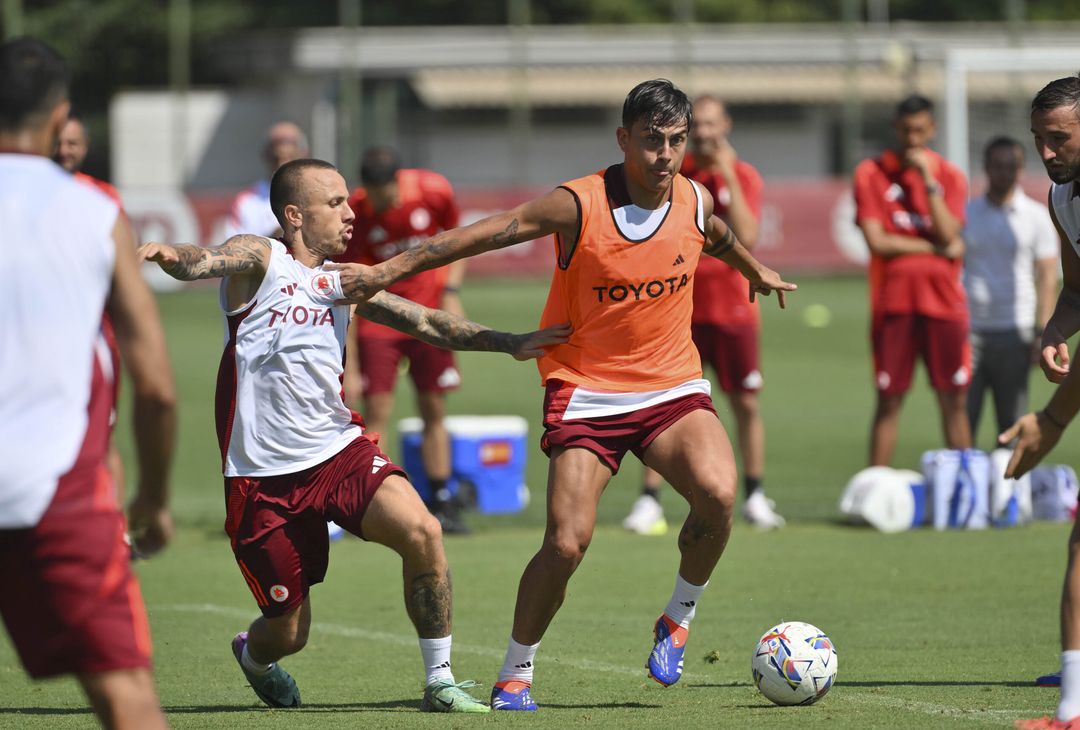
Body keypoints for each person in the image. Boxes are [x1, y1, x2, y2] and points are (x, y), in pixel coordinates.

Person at [327, 79, 796, 711]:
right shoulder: (579, 204)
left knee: (717, 494)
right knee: (567, 543)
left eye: (676, 141)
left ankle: (677, 619)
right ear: (623, 138)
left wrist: (751, 267)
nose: (666, 154)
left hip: (671, 384)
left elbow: (713, 233)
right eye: (652, 140)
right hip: (587, 389)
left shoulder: (692, 197)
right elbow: (482, 235)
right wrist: (387, 271)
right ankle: (515, 672)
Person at [138, 157, 569, 714]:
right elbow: (213, 258)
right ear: (294, 215)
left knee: (423, 532)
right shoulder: (263, 259)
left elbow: (427, 323)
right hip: (262, 478)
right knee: (289, 633)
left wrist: (510, 340)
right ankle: (254, 657)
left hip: (339, 451)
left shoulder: (342, 281)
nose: (350, 212)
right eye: (336, 202)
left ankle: (440, 681)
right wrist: (178, 259)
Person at [0, 37, 177, 730]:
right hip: (55, 493)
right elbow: (156, 386)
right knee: (125, 698)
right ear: (60, 116)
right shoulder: (95, 214)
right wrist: (153, 501)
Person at [623, 93, 784, 535]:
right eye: (702, 126)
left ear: (726, 125)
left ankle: (754, 495)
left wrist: (728, 169)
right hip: (679, 306)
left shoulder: (742, 174)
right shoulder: (674, 172)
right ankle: (649, 501)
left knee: (745, 401)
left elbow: (748, 237)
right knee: (660, 401)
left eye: (714, 125)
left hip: (734, 308)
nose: (708, 134)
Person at [1002, 74, 1080, 730]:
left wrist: (1053, 420)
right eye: (1040, 140)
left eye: (1059, 138)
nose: (1047, 151)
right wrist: (1057, 326)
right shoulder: (1063, 199)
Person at [337, 146, 470, 533]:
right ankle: (371, 504)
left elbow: (460, 240)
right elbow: (355, 279)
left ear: (398, 181)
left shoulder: (433, 190)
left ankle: (442, 500)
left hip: (428, 317)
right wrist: (352, 358)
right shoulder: (356, 210)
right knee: (376, 414)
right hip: (381, 323)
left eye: (387, 195)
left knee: (434, 410)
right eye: (374, 196)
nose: (381, 203)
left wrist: (451, 292)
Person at [854, 94, 972, 466]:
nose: (912, 139)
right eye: (906, 130)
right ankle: (874, 487)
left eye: (920, 130)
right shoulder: (871, 173)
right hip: (895, 303)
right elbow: (878, 241)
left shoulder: (949, 176)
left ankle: (965, 489)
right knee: (889, 398)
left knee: (953, 398)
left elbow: (949, 229)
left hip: (945, 304)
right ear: (895, 128)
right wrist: (934, 249)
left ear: (932, 129)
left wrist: (927, 180)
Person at [963, 136, 1059, 443]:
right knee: (963, 423)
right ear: (986, 168)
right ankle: (968, 489)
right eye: (998, 166)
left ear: (1020, 170)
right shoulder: (966, 214)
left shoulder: (1036, 216)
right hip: (969, 331)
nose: (1004, 173)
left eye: (1011, 166)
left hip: (1014, 331)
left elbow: (1047, 277)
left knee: (1012, 426)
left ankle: (1008, 491)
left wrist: (1041, 331)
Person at [224, 121, 308, 239]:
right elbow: (232, 250)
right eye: (276, 158)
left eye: (289, 158)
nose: (281, 165)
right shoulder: (246, 202)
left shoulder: (318, 195)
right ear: (266, 156)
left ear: (303, 155)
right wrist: (272, 241)